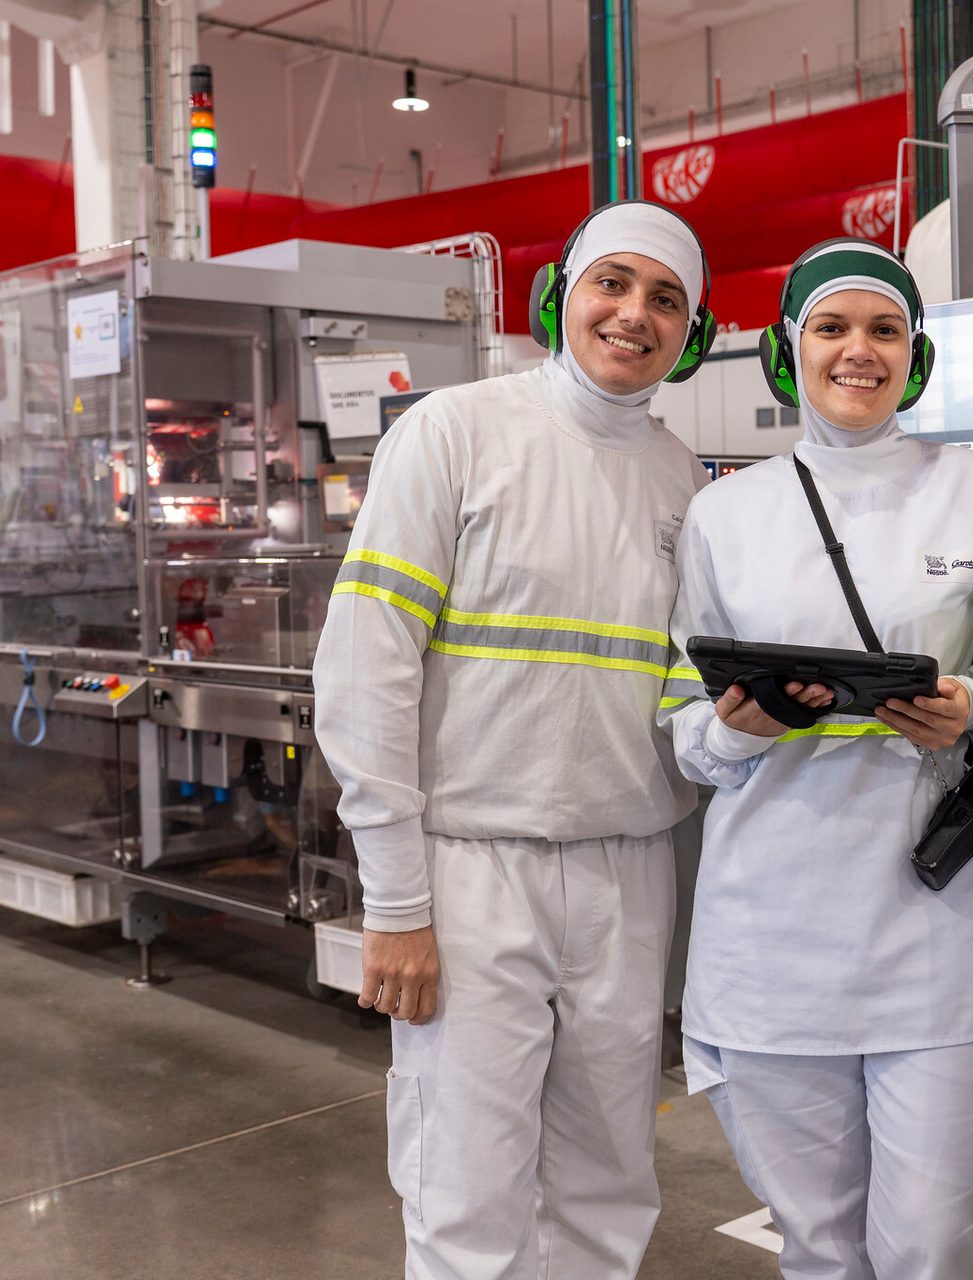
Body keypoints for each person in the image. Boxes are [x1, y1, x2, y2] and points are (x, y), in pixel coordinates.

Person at [312, 201, 715, 1279]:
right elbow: (365, 670)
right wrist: (396, 902)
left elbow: (686, 691)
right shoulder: (453, 432)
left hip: (630, 871)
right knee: (467, 1191)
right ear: (562, 295)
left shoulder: (684, 479)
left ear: (694, 331)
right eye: (613, 284)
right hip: (472, 869)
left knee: (607, 1183)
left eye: (666, 298)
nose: (634, 315)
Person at [660, 237, 973, 1280]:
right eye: (831, 326)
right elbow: (677, 718)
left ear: (917, 356)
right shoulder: (726, 515)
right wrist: (740, 725)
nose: (858, 351)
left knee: (932, 1242)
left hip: (940, 928)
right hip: (773, 933)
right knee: (818, 1242)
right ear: (787, 352)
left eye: (884, 329)